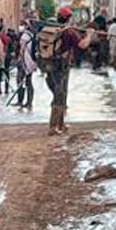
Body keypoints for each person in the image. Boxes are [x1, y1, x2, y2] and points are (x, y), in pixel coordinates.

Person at [36, 7, 85, 135]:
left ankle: (61, 124)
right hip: (61, 67)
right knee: (60, 94)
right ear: (68, 18)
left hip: (48, 66)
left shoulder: (47, 31)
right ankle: (53, 127)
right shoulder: (68, 32)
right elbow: (83, 45)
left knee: (60, 94)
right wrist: (90, 34)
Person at [13, 24, 37, 109]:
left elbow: (21, 49)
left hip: (24, 61)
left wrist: (19, 59)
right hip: (31, 61)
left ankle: (20, 101)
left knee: (20, 80)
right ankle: (29, 102)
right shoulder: (32, 35)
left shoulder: (24, 36)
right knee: (28, 82)